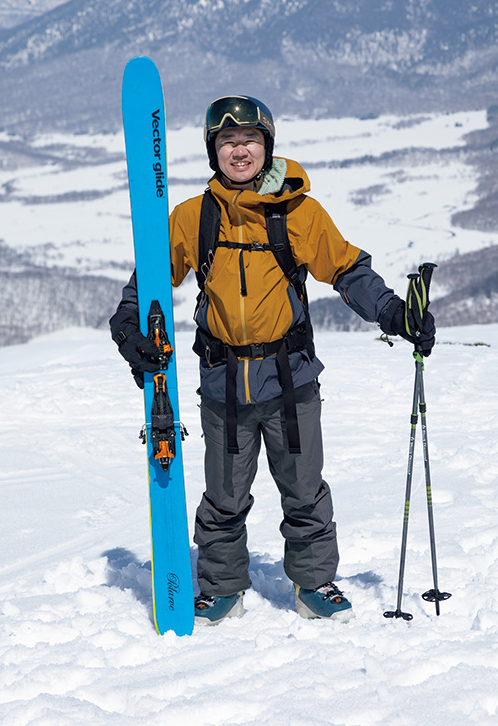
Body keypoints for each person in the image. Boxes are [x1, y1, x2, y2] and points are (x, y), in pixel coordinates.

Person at [110, 95, 435, 626]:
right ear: (213, 151)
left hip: (291, 381)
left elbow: (347, 269)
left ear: (267, 147)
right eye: (228, 141)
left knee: (304, 489)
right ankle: (221, 588)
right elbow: (149, 280)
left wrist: (394, 313)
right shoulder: (193, 217)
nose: (239, 151)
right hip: (223, 382)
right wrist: (128, 322)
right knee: (224, 495)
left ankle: (314, 583)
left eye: (250, 140)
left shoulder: (297, 211)